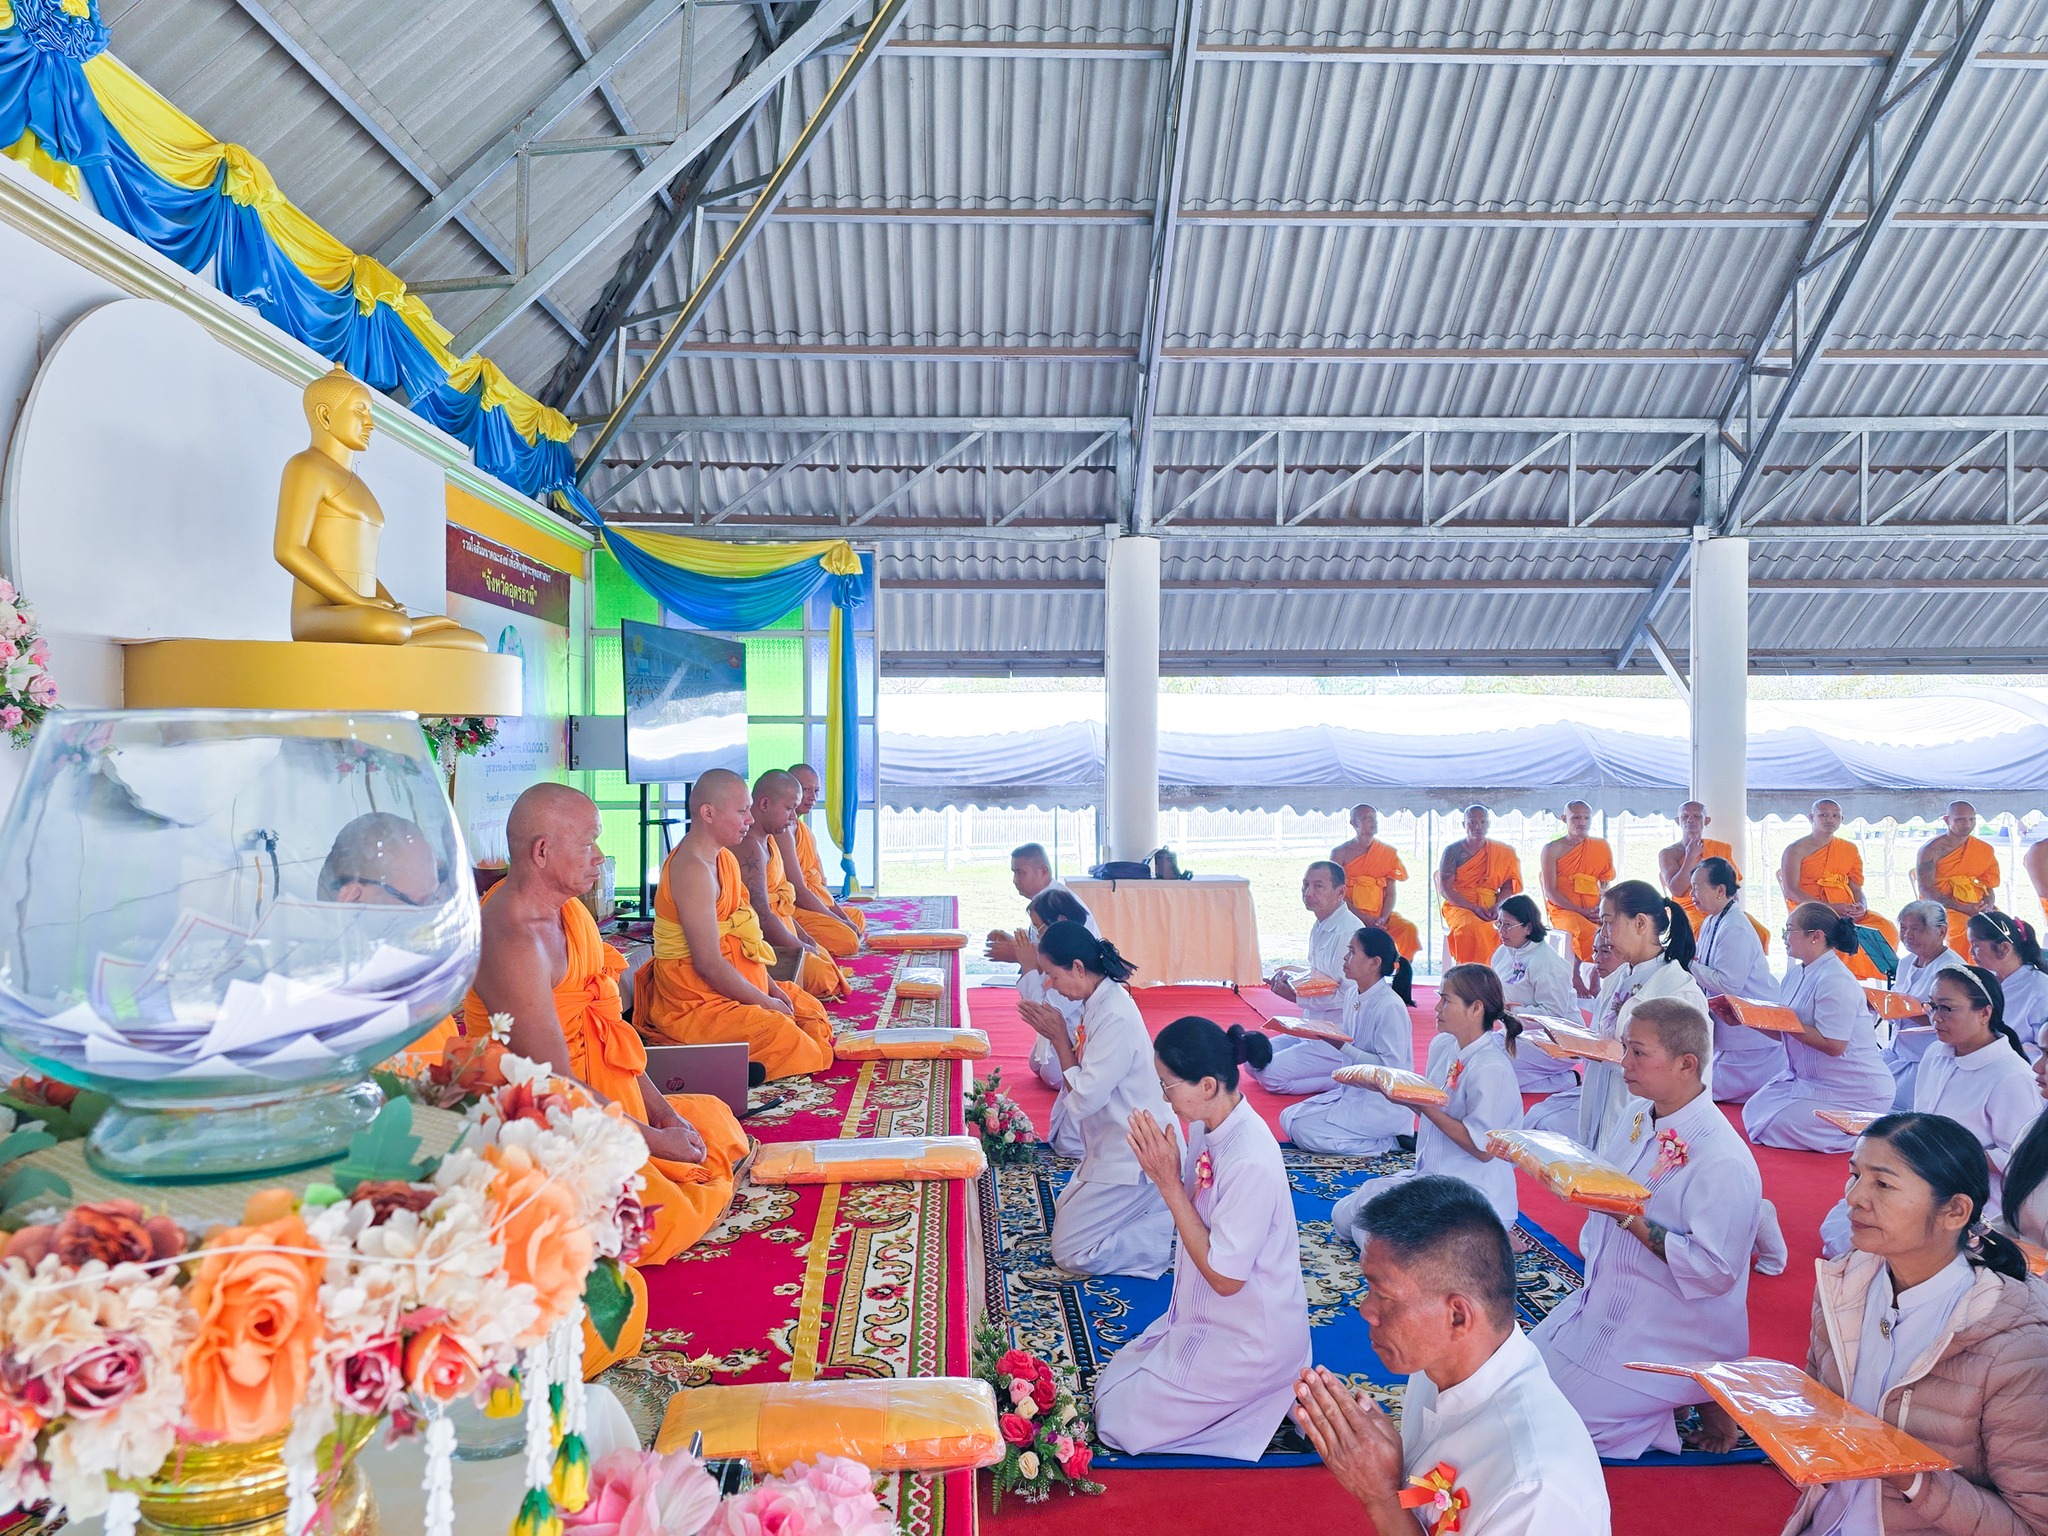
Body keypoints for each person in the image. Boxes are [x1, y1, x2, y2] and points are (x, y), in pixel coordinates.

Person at [464, 784, 747, 1270]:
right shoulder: (511, 939)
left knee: (712, 1119)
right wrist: (654, 1141)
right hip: (541, 1119)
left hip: (601, 1095)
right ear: (542, 852)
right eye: (588, 844)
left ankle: (668, 1156)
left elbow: (610, 1032)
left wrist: (662, 1116)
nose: (600, 857)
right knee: (652, 1215)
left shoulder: (571, 913)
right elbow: (553, 1088)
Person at [1294, 1177, 1611, 1534]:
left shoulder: (1536, 1488)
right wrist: (1390, 1470)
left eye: (1384, 1296)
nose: (1366, 1310)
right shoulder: (1438, 1368)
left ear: (1458, 1317)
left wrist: (1381, 1497)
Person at [1781, 1113, 2048, 1536]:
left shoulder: (2014, 1346)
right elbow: (1821, 1412)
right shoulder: (1843, 1285)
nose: (1853, 1198)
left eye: (1882, 1184)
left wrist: (1912, 1478)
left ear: (1955, 1210)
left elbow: (2033, 1525)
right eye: (1854, 1175)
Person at [1532, 1000, 1763, 1459]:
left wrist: (1625, 1216)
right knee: (1514, 1381)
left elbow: (1715, 1273)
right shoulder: (1639, 1114)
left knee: (1552, 1432)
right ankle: (1662, 1402)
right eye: (1626, 1049)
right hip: (1604, 1301)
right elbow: (1606, 1179)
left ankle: (1690, 1389)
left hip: (1669, 1330)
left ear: (1686, 1064)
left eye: (1638, 1053)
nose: (1624, 1063)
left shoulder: (1723, 1159)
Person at [1094, 1018, 1311, 1460]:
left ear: (1208, 1085)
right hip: (1208, 1316)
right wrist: (1170, 1178)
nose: (1163, 1096)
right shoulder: (1207, 1128)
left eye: (1168, 1086)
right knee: (1113, 1381)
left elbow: (1227, 1280)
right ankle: (1252, 1403)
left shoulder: (1249, 1159)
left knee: (1117, 1423)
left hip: (1249, 1339)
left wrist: (1169, 1184)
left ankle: (1261, 1403)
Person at [1821, 966, 2036, 1258]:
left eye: (1947, 1009)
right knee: (1847, 1227)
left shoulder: (2011, 1075)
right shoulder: (1936, 1053)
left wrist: (1944, 1153)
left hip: (1969, 1194)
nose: (1935, 1018)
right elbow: (1922, 1116)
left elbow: (2021, 1161)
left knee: (1874, 1244)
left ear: (1985, 1012)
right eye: (1932, 1006)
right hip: (1918, 1173)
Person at [639, 769, 834, 1079]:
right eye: (742, 811)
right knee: (791, 1039)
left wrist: (770, 989)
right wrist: (766, 1003)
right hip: (695, 1002)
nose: (750, 820)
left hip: (737, 982)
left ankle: (738, 1061)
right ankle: (718, 1064)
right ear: (708, 813)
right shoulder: (692, 869)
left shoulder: (724, 859)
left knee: (809, 1010)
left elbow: (748, 935)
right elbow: (708, 964)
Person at [1021, 921, 1176, 1278]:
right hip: (1112, 1143)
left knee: (1070, 1253)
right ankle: (1156, 1211)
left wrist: (1060, 1038)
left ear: (1077, 967)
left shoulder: (1114, 1012)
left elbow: (1086, 1098)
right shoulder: (1099, 1000)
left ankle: (1161, 1239)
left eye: (1052, 975)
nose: (1048, 984)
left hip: (1138, 1154)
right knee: (1064, 1212)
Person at [1331, 964, 1523, 1236]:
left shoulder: (1491, 1068)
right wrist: (1396, 1094)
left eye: (1446, 1000)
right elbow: (1431, 1106)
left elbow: (1483, 1150)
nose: (1436, 1008)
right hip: (1433, 1177)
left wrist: (1422, 1106)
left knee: (1372, 1237)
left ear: (1476, 1008)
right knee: (1345, 1216)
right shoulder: (1444, 1045)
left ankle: (1493, 1234)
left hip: (1473, 1194)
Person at [1525, 880, 1705, 1148]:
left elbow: (1686, 1073)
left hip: (1643, 1113)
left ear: (1640, 924)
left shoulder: (1677, 989)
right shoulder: (1618, 977)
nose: (1604, 934)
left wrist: (1618, 1053)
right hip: (1603, 1099)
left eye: (1608, 922)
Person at [1742, 903, 1896, 1153]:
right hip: (1811, 1080)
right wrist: (1745, 1017)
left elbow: (1834, 1045)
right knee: (1755, 1110)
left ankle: (1869, 1129)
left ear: (1816, 936)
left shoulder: (1835, 979)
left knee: (1773, 1124)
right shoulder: (1795, 975)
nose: (1784, 937)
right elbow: (1785, 1032)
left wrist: (1784, 1023)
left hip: (1852, 1088)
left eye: (1790, 930)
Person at [1279, 927, 1421, 1156]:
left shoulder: (1390, 1006)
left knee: (1304, 1132)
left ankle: (1388, 1144)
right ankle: (1379, 1139)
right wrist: (1322, 1031)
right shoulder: (1355, 993)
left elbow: (1390, 1069)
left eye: (1352, 952)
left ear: (1374, 963)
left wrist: (1341, 1045)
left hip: (1381, 1103)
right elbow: (1353, 1037)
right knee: (1288, 1118)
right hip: (1353, 1089)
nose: (1345, 958)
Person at [1253, 862, 1363, 1095]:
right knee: (1253, 1062)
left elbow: (1349, 995)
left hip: (1337, 1035)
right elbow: (1318, 976)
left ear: (1340, 892)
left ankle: (1346, 1078)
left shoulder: (1348, 932)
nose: (1308, 893)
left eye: (1318, 886)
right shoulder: (1321, 923)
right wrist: (1292, 979)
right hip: (1312, 1027)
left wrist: (1295, 997)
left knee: (1270, 1077)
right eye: (1305, 885)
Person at [735, 769, 845, 1002]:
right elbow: (761, 915)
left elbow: (779, 904)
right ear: (764, 803)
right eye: (789, 808)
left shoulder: (769, 839)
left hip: (782, 921)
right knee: (824, 975)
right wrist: (800, 947)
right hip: (759, 938)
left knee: (824, 960)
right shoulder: (749, 846)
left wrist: (805, 939)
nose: (795, 816)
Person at [1686, 856, 1786, 1104]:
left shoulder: (1735, 926)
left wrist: (1687, 964)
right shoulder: (1712, 920)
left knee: (1696, 1092)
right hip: (1732, 1035)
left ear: (1720, 890)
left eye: (1698, 888)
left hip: (1753, 1040)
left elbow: (1729, 984)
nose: (1692, 895)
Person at [1779, 799, 1899, 983]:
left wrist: (1862, 907)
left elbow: (1856, 886)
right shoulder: (1796, 849)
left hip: (1846, 909)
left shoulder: (1848, 849)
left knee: (1885, 929)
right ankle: (1836, 980)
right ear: (1812, 817)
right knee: (1837, 934)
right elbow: (1791, 890)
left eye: (1835, 816)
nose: (1830, 820)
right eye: (1823, 815)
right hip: (1810, 909)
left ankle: (1858, 979)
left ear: (1842, 818)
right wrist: (1829, 908)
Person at [1017, 886, 1095, 1156]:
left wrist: (1029, 967)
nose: (1035, 935)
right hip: (1076, 1051)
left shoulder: (1081, 976)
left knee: (1053, 1075)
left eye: (1038, 928)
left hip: (1116, 1138)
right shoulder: (1074, 965)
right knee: (1039, 1064)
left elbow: (1044, 1009)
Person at [1488, 894, 1579, 1093]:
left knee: (1492, 1069)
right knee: (1476, 1054)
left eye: (1508, 925)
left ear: (1528, 927)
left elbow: (1556, 1016)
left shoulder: (1546, 962)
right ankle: (1563, 1079)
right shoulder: (1504, 952)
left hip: (1559, 1041)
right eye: (1499, 924)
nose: (1501, 931)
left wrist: (1510, 1012)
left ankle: (1566, 1079)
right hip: (1517, 1032)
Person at [1882, 900, 1966, 1109]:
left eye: (1916, 929)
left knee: (1893, 1109)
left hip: (1926, 1059)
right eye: (1903, 928)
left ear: (1941, 931)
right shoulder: (1905, 962)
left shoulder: (1952, 969)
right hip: (1896, 1052)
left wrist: (1904, 1009)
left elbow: (1951, 1020)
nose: (1907, 935)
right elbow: (1894, 1002)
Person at [1660, 800, 1771, 951]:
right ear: (1677, 821)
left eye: (1697, 816)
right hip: (1690, 911)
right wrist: (1690, 856)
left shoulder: (1721, 849)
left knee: (1760, 932)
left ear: (1706, 821)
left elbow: (1732, 886)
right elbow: (1677, 890)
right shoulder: (1668, 853)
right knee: (1703, 931)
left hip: (1720, 906)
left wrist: (1731, 911)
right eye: (1685, 816)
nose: (1690, 820)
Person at [778, 762, 863, 958]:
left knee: (856, 917)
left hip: (811, 901)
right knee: (848, 939)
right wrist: (841, 922)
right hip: (795, 907)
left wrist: (842, 918)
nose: (812, 797)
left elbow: (817, 885)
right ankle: (815, 948)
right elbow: (799, 891)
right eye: (805, 789)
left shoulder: (802, 829)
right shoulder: (781, 831)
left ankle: (827, 938)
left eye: (816, 790)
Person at [1437, 805, 1524, 968]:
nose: (1478, 826)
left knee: (1514, 927)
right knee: (1472, 929)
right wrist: (1473, 907)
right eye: (1472, 822)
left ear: (1489, 824)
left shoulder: (1503, 852)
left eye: (1483, 822)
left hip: (1491, 904)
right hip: (1460, 904)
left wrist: (1498, 905)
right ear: (1464, 825)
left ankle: (1501, 976)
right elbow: (1446, 889)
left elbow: (1508, 885)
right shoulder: (1452, 851)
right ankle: (1471, 975)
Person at [1331, 803, 1420, 961]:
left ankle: (1401, 974)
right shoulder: (1340, 853)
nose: (1374, 821)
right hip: (1349, 914)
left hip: (1380, 916)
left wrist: (1383, 918)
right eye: (1367, 818)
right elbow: (1336, 893)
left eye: (1374, 818)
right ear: (1353, 823)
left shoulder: (1387, 853)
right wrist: (1362, 917)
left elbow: (1391, 893)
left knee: (1408, 929)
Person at [1917, 801, 1999, 958]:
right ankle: (1965, 972)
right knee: (1967, 928)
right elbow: (1926, 889)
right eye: (1960, 819)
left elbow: (1989, 886)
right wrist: (1963, 908)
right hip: (1942, 906)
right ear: (1947, 820)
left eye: (1972, 819)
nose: (1967, 824)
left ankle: (1993, 976)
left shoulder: (1984, 849)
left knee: (2002, 926)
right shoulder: (1931, 850)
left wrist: (1987, 906)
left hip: (1975, 903)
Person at [1541, 801, 1615, 964]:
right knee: (1586, 931)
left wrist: (1602, 908)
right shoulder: (1552, 849)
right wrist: (1579, 910)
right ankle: (1594, 971)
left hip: (1595, 909)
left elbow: (1605, 885)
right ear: (1564, 818)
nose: (1582, 822)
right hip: (1563, 910)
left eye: (1586, 818)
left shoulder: (1601, 846)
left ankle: (1612, 974)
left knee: (1618, 930)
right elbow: (1550, 891)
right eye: (1576, 818)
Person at [1967, 910, 2048, 1052]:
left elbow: (2043, 1050)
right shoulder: (1983, 980)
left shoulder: (2040, 990)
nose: (1971, 952)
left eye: (1976, 945)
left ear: (2004, 948)